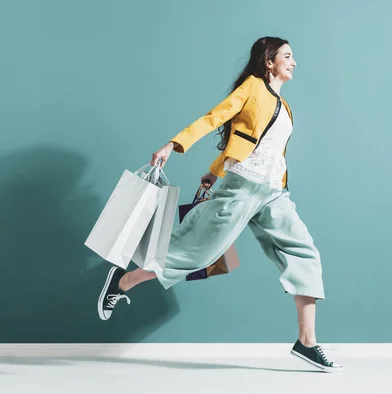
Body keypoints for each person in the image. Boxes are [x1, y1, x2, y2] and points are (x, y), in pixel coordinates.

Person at [96, 36, 343, 373]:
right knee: (197, 256)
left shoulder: (284, 107)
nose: (294, 61)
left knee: (305, 254)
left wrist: (213, 172)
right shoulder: (253, 87)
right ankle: (122, 281)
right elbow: (215, 118)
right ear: (268, 61)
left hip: (273, 193)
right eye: (287, 56)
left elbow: (256, 145)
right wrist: (173, 145)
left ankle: (307, 342)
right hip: (242, 188)